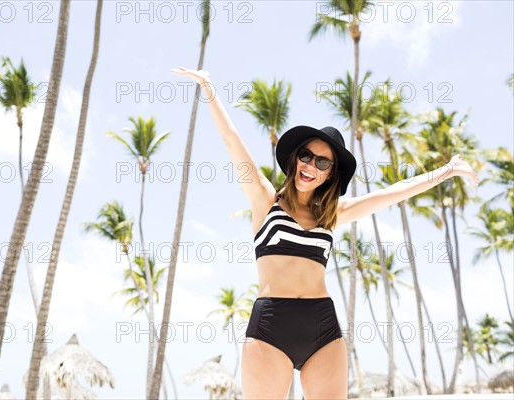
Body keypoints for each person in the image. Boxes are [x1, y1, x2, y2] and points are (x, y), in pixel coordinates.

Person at [171, 67, 479, 399]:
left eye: (322, 163)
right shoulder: (265, 200)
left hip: (322, 326)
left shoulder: (331, 215)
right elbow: (231, 140)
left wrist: (446, 171)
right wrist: (208, 86)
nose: (311, 166)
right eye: (307, 156)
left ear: (330, 174)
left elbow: (394, 193)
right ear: (295, 159)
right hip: (271, 325)